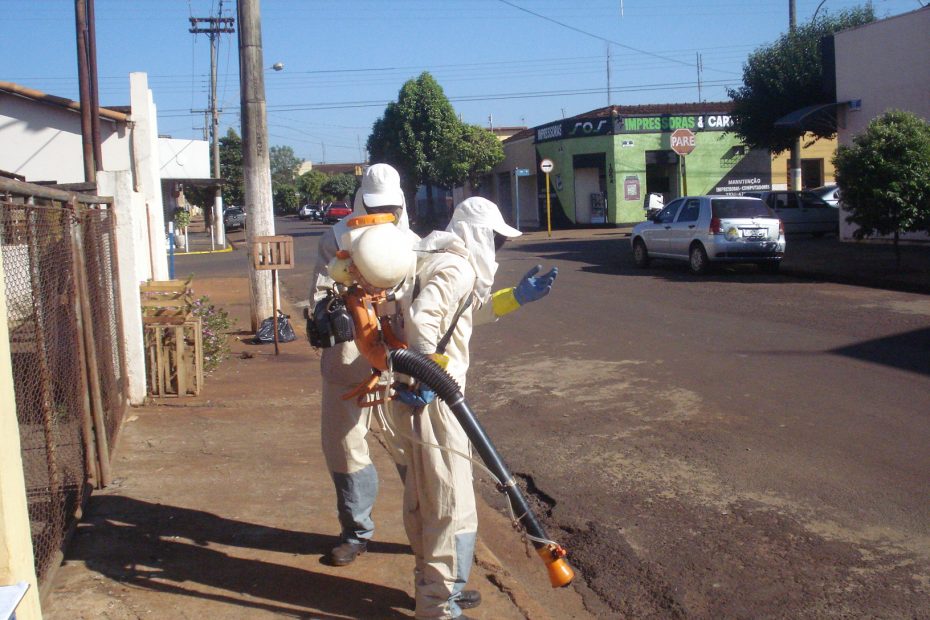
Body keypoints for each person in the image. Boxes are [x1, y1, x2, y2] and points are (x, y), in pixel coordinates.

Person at [390, 197, 558, 619]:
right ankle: (440, 606)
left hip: (414, 394)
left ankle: (435, 587)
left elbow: (461, 316)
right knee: (451, 504)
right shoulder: (457, 266)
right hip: (433, 398)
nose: (498, 249)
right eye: (496, 240)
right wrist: (432, 376)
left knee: (425, 497)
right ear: (479, 235)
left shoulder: (436, 255)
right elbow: (424, 323)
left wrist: (516, 298)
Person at [310, 163, 419, 566]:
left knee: (413, 446)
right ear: (361, 202)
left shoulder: (414, 243)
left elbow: (422, 300)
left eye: (392, 207)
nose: (385, 214)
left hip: (398, 355)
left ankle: (425, 532)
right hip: (349, 357)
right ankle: (356, 532)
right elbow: (320, 295)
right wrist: (342, 302)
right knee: (344, 444)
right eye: (376, 206)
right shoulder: (334, 241)